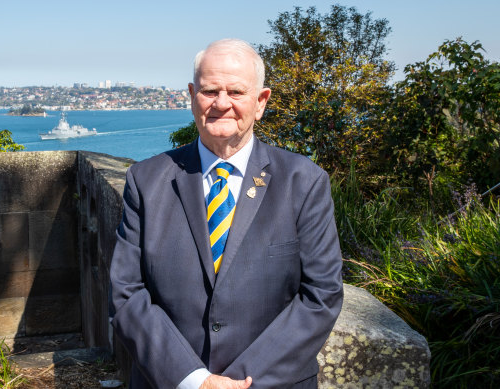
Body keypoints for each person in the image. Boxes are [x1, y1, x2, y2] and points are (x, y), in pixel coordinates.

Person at [110, 38, 343, 389]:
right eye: (209, 91)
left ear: (260, 102)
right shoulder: (146, 181)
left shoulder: (304, 182)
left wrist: (240, 381)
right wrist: (196, 380)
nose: (221, 104)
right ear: (192, 96)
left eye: (236, 92)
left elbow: (321, 295)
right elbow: (126, 292)